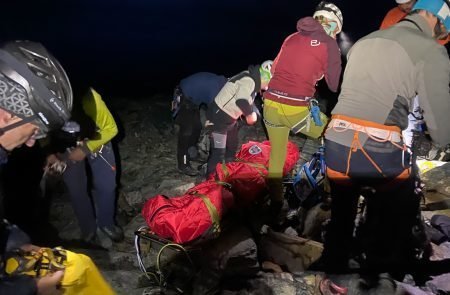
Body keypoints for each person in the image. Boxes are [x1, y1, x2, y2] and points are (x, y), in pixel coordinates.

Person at [319, 0, 450, 277]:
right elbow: (441, 130)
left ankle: (333, 273)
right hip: (374, 150)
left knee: (342, 217)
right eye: (443, 33)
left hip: (334, 144)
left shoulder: (365, 41)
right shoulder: (432, 51)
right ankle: (389, 270)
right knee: (405, 191)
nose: (442, 39)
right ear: (439, 20)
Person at [0, 41, 113, 295]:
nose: (31, 143)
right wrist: (31, 289)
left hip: (93, 147)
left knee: (80, 265)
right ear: (7, 115)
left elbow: (110, 129)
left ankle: (105, 228)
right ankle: (89, 232)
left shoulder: (93, 101)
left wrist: (13, 243)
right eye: (33, 132)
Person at [262, 1, 343, 219]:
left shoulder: (291, 36)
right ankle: (329, 195)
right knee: (334, 135)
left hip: (269, 106)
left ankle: (276, 204)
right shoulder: (330, 44)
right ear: (334, 26)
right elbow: (334, 85)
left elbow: (276, 69)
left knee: (277, 155)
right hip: (295, 110)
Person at [46, 86, 123, 248]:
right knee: (76, 190)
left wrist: (85, 149)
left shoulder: (90, 98)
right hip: (65, 145)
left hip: (96, 138)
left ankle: (106, 224)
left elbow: (111, 128)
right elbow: (40, 133)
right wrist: (49, 153)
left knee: (107, 186)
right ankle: (88, 229)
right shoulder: (42, 101)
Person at [205, 62, 272, 176]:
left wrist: (255, 110)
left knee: (232, 145)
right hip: (218, 118)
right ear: (265, 76)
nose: (267, 86)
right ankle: (211, 181)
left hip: (230, 119)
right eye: (269, 82)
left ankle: (229, 171)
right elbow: (241, 100)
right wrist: (250, 114)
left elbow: (247, 98)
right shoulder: (249, 80)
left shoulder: (254, 82)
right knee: (218, 152)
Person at [172, 72, 227, 176]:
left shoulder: (222, 84)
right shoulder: (216, 88)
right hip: (184, 95)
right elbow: (213, 112)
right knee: (187, 131)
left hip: (193, 101)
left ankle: (192, 153)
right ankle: (183, 165)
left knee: (197, 127)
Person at [381, 0, 450, 45]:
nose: (406, 7)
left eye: (408, 3)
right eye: (401, 5)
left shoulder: (434, 9)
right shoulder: (392, 15)